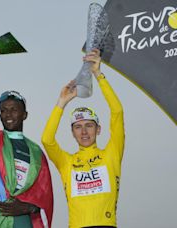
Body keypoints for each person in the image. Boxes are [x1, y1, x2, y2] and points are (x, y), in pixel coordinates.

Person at [0, 48, 53, 228]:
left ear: (25, 114)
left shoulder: (36, 151)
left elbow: (45, 194)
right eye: (4, 110)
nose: (8, 114)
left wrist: (30, 207)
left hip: (20, 213)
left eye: (14, 109)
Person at [41, 49, 124, 228]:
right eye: (78, 127)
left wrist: (98, 74)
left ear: (98, 129)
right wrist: (61, 103)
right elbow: (47, 140)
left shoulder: (112, 153)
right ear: (72, 133)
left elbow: (117, 112)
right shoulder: (66, 162)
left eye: (89, 125)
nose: (84, 132)